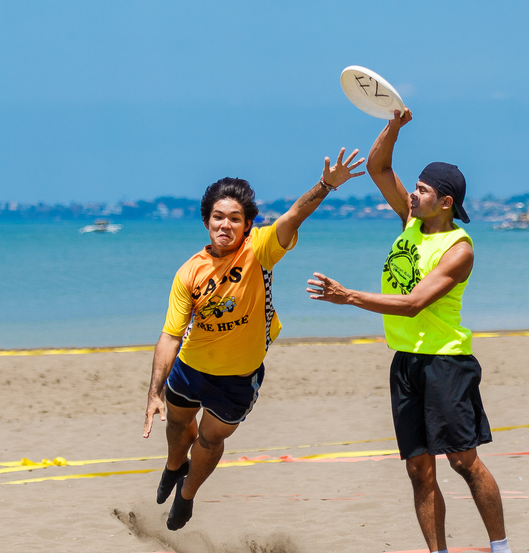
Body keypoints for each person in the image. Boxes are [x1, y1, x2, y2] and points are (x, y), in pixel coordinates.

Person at [306, 110, 516, 553]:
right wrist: (394, 124)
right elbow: (379, 167)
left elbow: (415, 302)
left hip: (447, 363)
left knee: (462, 461)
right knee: (420, 471)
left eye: (423, 190)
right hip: (405, 364)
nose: (413, 194)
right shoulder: (410, 221)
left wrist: (349, 296)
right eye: (414, 187)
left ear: (446, 202)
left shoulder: (457, 247)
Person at [143, 148, 365, 531]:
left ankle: (187, 494)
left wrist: (326, 185)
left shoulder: (260, 250)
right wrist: (153, 391)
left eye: (234, 219)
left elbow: (294, 215)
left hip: (237, 378)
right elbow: (170, 336)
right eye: (217, 218)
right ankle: (172, 465)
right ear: (206, 221)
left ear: (247, 225)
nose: (225, 225)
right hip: (190, 368)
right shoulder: (188, 273)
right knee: (178, 429)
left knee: (210, 442)